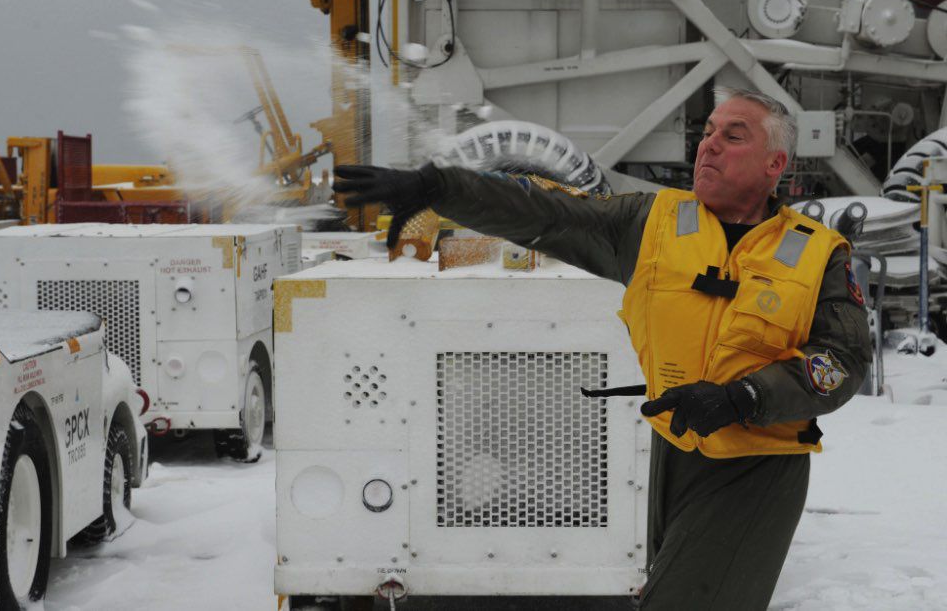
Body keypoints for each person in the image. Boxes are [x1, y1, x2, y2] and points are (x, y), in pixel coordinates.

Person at [333, 88, 871, 610]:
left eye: (734, 136)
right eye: (707, 133)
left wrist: (745, 397)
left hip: (757, 466)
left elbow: (841, 362)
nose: (708, 145)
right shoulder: (649, 223)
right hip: (674, 454)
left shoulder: (818, 254)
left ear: (775, 164)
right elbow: (548, 210)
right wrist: (438, 186)